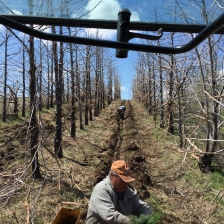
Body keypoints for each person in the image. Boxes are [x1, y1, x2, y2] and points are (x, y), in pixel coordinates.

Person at [85, 160, 152, 224]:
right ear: (112, 176)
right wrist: (132, 222)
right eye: (122, 180)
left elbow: (143, 208)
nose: (126, 184)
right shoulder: (101, 190)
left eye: (127, 181)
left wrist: (148, 219)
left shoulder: (128, 192)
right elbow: (110, 216)